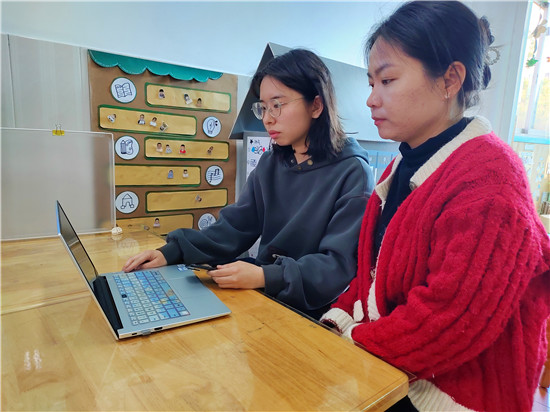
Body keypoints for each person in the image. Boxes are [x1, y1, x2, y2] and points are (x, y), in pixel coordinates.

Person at [320, 2, 550, 411]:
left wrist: (353, 338)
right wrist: (336, 320)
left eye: (387, 80)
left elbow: (449, 321)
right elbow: (371, 277)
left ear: (450, 79)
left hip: (447, 394)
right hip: (391, 366)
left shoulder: (491, 180)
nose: (371, 99)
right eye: (371, 83)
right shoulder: (403, 165)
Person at [123, 49, 375, 319]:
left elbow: (336, 266)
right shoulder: (271, 163)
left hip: (311, 313)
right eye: (263, 107)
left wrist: (264, 275)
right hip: (263, 296)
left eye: (277, 105)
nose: (267, 118)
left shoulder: (352, 172)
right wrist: (173, 252)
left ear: (316, 105)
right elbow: (234, 227)